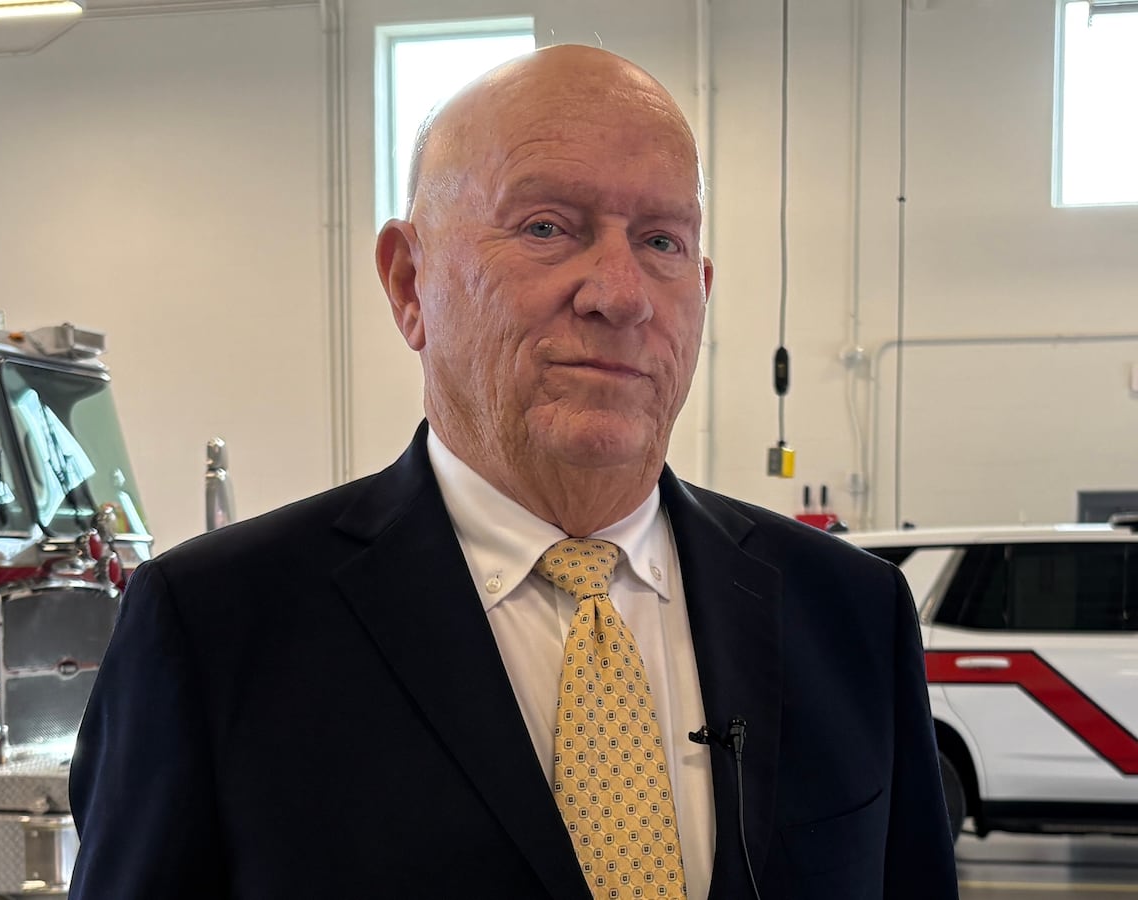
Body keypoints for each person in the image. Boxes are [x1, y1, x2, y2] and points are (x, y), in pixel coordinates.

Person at [68, 44, 958, 900]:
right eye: (546, 228)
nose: (621, 293)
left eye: (661, 241)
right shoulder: (215, 630)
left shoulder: (850, 616)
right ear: (410, 282)